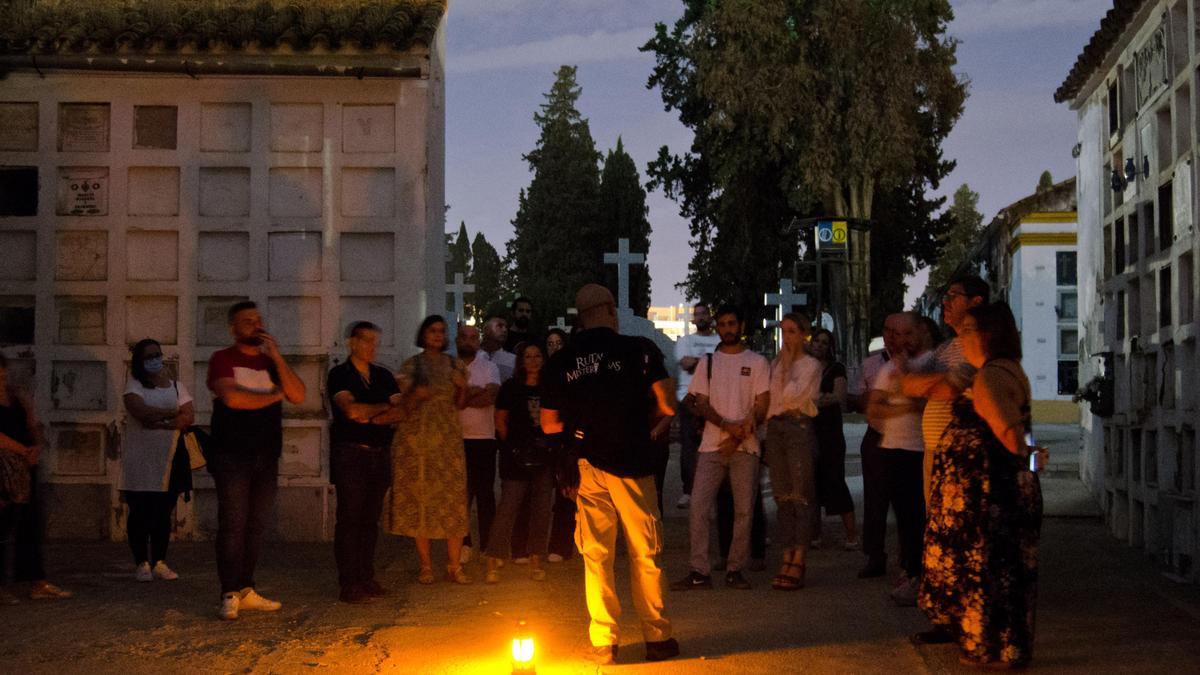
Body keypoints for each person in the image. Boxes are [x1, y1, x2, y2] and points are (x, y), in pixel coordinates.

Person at [541, 284, 679, 665]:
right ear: (609, 310)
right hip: (632, 462)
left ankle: (605, 641)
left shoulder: (561, 361)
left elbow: (549, 424)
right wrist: (644, 426)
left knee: (597, 554)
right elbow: (668, 403)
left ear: (580, 317)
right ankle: (657, 636)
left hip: (586, 466)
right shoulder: (639, 350)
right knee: (645, 550)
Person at [917, 302, 1044, 668]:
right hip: (998, 490)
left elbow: (1011, 437)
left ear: (990, 334)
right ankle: (1004, 647)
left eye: (970, 329)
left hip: (990, 495)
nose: (962, 335)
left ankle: (986, 648)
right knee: (1003, 573)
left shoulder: (990, 377)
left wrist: (1031, 459)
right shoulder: (1005, 370)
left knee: (987, 572)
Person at [207, 301, 305, 620]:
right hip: (232, 454)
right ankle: (229, 592)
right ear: (233, 328)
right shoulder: (222, 359)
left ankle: (247, 588)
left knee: (256, 525)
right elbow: (233, 398)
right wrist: (275, 396)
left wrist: (276, 356)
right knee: (233, 524)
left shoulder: (269, 363)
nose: (255, 325)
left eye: (258, 320)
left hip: (266, 454)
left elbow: (299, 394)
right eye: (247, 321)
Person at [671, 305, 769, 592]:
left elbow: (761, 405)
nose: (727, 329)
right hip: (713, 446)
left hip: (745, 447)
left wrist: (740, 434)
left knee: (744, 510)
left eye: (731, 323)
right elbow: (699, 402)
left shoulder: (758, 362)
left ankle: (735, 569)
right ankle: (699, 570)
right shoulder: (709, 363)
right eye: (722, 324)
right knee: (699, 507)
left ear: (741, 325)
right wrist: (727, 426)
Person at [387, 315, 471, 585]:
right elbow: (405, 407)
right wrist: (416, 394)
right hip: (418, 440)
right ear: (423, 334)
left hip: (447, 439)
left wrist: (462, 387)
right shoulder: (412, 366)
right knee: (421, 499)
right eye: (432, 330)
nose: (437, 335)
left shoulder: (454, 364)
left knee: (453, 500)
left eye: (441, 331)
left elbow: (460, 403)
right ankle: (425, 565)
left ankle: (454, 565)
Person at [326, 322, 401, 604]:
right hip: (351, 454)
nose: (372, 347)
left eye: (375, 341)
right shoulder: (339, 375)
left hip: (379, 452)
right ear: (352, 343)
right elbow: (351, 410)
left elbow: (401, 411)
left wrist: (370, 413)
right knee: (350, 518)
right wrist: (382, 408)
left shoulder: (382, 375)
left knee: (370, 519)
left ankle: (366, 575)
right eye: (367, 340)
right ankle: (349, 581)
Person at [902, 276, 988, 502]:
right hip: (933, 448)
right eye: (945, 297)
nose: (945, 302)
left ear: (975, 302)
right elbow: (910, 385)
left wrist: (932, 383)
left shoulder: (982, 345)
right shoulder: (946, 348)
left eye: (953, 296)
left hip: (960, 453)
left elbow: (949, 388)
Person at [866, 312, 929, 606]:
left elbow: (926, 402)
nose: (899, 340)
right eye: (893, 333)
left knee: (919, 517)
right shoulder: (889, 367)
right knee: (903, 517)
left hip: (920, 450)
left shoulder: (931, 364)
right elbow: (874, 410)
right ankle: (910, 569)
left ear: (920, 333)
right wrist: (903, 406)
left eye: (906, 333)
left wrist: (904, 387)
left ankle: (919, 574)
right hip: (893, 447)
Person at [0, 354, 72, 605]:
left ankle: (36, 581)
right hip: (3, 469)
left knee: (30, 523)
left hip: (25, 467)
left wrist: (36, 447)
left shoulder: (16, 396)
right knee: (2, 526)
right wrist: (22, 450)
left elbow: (33, 424)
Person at [121, 339, 195, 583]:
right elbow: (140, 412)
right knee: (140, 511)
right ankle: (141, 561)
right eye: (148, 356)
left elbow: (188, 416)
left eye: (157, 354)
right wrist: (172, 414)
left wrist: (163, 420)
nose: (155, 360)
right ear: (139, 362)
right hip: (140, 461)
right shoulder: (133, 385)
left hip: (170, 459)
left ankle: (160, 561)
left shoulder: (176, 387)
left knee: (163, 512)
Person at [484, 342, 554, 583]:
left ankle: (536, 559)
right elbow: (500, 421)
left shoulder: (550, 388)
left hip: (544, 457)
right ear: (521, 361)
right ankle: (494, 558)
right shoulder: (511, 388)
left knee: (542, 510)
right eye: (528, 356)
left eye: (537, 355)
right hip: (516, 455)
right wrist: (512, 447)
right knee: (508, 508)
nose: (533, 360)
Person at [763, 313, 822, 590]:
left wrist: (786, 368)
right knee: (782, 495)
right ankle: (787, 554)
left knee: (800, 495)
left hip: (797, 426)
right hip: (776, 430)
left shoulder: (810, 365)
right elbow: (771, 400)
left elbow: (794, 398)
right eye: (784, 332)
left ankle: (799, 557)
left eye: (792, 332)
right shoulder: (776, 364)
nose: (787, 338)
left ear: (803, 335)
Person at [851, 313, 901, 578]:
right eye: (888, 331)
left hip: (904, 438)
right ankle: (874, 554)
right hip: (877, 434)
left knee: (907, 501)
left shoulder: (917, 363)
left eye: (899, 332)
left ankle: (910, 559)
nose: (892, 337)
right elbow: (861, 399)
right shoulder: (871, 364)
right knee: (874, 500)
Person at [807, 328, 858, 549]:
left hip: (829, 433)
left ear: (830, 346)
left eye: (824, 342)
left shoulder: (836, 369)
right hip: (810, 431)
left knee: (835, 481)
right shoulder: (806, 368)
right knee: (812, 483)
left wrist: (814, 401)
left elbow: (838, 396)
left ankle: (852, 535)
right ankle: (815, 533)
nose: (819, 345)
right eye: (816, 341)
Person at [455, 324, 501, 565]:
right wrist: (473, 393)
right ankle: (464, 544)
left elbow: (490, 396)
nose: (468, 341)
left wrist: (464, 395)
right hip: (456, 440)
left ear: (478, 341)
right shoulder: (450, 368)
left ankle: (488, 546)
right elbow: (450, 400)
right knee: (461, 495)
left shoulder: (489, 366)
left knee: (485, 496)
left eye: (473, 338)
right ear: (456, 340)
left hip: (484, 439)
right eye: (464, 337)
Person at [673, 303, 721, 509]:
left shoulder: (720, 340)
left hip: (716, 398)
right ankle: (689, 491)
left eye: (704, 314)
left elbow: (725, 366)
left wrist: (699, 362)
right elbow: (685, 363)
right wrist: (711, 361)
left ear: (710, 317)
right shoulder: (686, 341)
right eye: (697, 314)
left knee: (715, 446)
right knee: (690, 446)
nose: (701, 317)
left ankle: (714, 490)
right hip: (689, 398)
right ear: (693, 319)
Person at [544, 328, 576, 563]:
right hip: (549, 440)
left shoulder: (572, 372)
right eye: (550, 343)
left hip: (567, 439)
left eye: (558, 343)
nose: (555, 347)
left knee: (568, 493)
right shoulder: (546, 372)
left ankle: (563, 545)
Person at [482, 316, 516, 381]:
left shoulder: (514, 360)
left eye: (506, 327)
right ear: (487, 330)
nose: (505, 330)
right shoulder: (473, 356)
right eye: (499, 326)